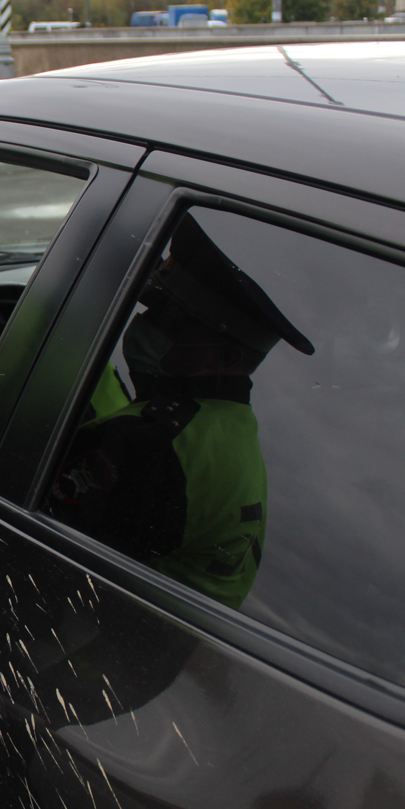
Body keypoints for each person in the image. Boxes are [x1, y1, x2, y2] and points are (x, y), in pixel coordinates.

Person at [49, 214, 314, 609]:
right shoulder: (231, 429)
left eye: (170, 317)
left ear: (224, 356)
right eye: (151, 306)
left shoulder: (152, 443)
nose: (144, 322)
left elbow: (42, 557)